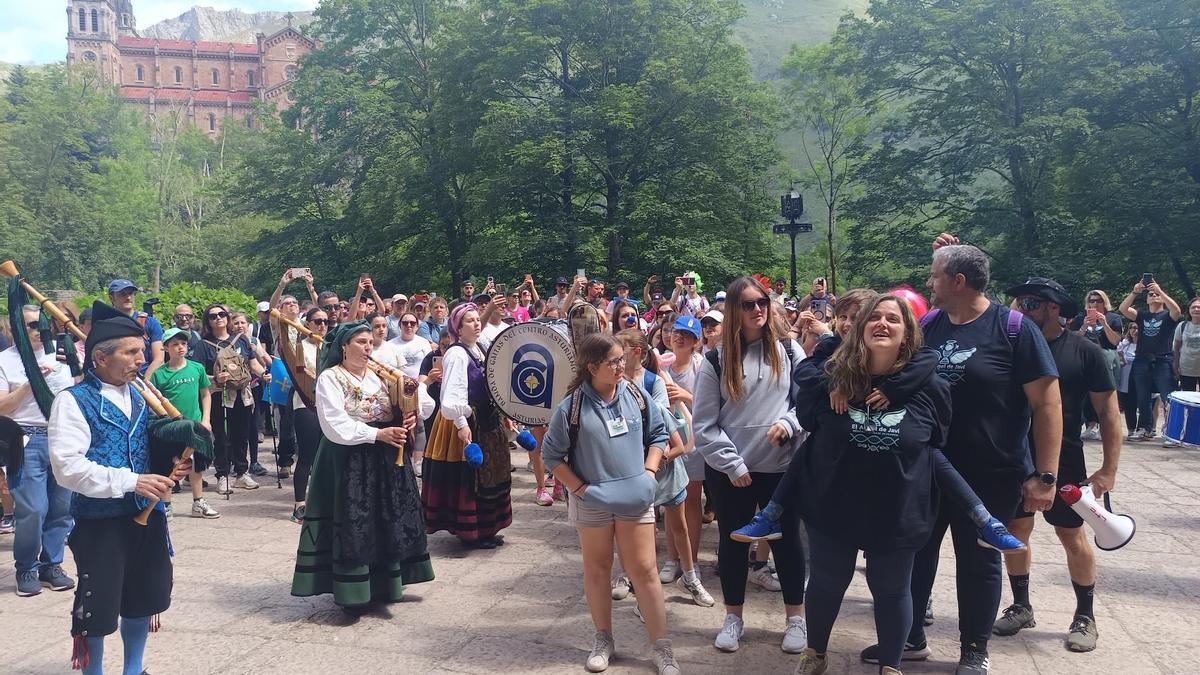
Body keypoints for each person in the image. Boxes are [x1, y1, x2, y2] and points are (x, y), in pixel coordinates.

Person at [859, 236, 1062, 675]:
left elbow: (1048, 405)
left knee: (979, 561)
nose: (929, 283)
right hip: (927, 468)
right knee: (915, 553)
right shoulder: (929, 325)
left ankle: (974, 648)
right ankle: (909, 636)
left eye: (935, 276)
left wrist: (1045, 475)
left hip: (991, 473)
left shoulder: (1014, 329)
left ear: (959, 281)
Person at [790, 294, 953, 675]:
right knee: (826, 582)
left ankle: (891, 667)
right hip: (834, 501)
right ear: (860, 329)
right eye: (874, 317)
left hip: (897, 507)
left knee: (893, 589)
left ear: (907, 333)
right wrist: (837, 382)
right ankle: (815, 655)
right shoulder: (832, 377)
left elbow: (938, 438)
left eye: (893, 319)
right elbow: (809, 420)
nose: (882, 324)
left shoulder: (930, 386)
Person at [48, 302, 201, 675]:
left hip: (148, 516)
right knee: (98, 606)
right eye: (130, 352)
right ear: (100, 358)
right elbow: (67, 468)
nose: (141, 359)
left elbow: (150, 444)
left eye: (141, 350)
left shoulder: (141, 394)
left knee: (142, 597)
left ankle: (134, 669)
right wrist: (132, 481)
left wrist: (173, 461)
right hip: (100, 521)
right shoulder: (73, 401)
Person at [994, 278, 1123, 653]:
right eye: (1018, 302)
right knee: (1016, 531)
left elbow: (1109, 413)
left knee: (1071, 534)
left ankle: (1085, 615)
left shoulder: (1085, 352)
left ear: (1053, 308)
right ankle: (1021, 606)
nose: (1020, 310)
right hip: (1015, 455)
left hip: (1065, 457)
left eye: (1029, 303)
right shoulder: (1011, 347)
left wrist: (1108, 470)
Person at [540, 333, 680, 675]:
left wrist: (649, 473)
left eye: (622, 359)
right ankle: (603, 639)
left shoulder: (636, 394)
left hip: (636, 497)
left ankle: (662, 647)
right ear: (592, 367)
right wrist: (582, 490)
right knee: (598, 569)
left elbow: (660, 434)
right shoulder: (571, 407)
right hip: (593, 501)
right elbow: (551, 455)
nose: (621, 366)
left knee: (644, 570)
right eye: (613, 361)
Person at [693, 276, 810, 655]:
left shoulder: (789, 350)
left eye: (762, 301)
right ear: (734, 310)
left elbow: (806, 403)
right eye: (748, 304)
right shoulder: (715, 360)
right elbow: (704, 424)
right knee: (732, 544)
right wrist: (732, 464)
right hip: (733, 473)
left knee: (787, 544)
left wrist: (789, 423)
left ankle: (795, 619)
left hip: (780, 469)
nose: (757, 309)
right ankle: (733, 617)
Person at [290, 321, 435, 614]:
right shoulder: (330, 378)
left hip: (385, 457)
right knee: (355, 521)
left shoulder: (383, 375)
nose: (368, 347)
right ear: (344, 346)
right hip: (348, 458)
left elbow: (419, 399)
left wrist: (409, 414)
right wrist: (377, 434)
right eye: (360, 342)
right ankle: (353, 591)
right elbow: (333, 423)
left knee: (385, 518)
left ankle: (386, 584)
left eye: (370, 342)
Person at [616, 328, 714, 608]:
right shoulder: (613, 382)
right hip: (631, 464)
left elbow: (661, 418)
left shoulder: (653, 381)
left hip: (665, 462)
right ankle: (629, 575)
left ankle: (690, 576)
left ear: (637, 352)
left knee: (678, 524)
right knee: (632, 525)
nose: (617, 356)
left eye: (621, 349)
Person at [0, 305, 78, 597]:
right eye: (31, 325)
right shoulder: (5, 360)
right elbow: (2, 408)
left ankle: (51, 565)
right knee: (33, 510)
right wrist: (31, 383)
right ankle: (26, 567)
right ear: (15, 328)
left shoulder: (62, 353)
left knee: (62, 508)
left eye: (42, 324)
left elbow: (79, 389)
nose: (39, 330)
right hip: (26, 440)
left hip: (62, 437)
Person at [421, 303, 513, 548]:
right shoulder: (456, 354)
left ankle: (487, 528)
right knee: (472, 476)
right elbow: (451, 394)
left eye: (477, 320)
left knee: (492, 473)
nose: (476, 324)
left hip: (487, 419)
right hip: (467, 420)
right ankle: (471, 532)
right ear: (458, 329)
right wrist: (461, 423)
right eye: (470, 321)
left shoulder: (480, 348)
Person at [197, 304, 268, 494]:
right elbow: (198, 373)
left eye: (222, 314)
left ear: (227, 317)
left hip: (242, 394)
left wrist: (263, 374)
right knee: (222, 437)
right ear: (208, 322)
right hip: (219, 395)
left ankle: (242, 473)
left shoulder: (241, 339)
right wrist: (215, 378)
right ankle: (222, 475)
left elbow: (252, 362)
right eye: (213, 316)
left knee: (242, 434)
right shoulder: (203, 345)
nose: (218, 318)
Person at [149, 329, 219, 520]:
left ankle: (198, 502)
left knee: (196, 465)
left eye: (183, 344)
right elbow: (154, 404)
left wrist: (206, 420)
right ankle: (166, 505)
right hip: (171, 428)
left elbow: (205, 394)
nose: (180, 347)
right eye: (175, 344)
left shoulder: (196, 368)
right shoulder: (159, 374)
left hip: (194, 426)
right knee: (169, 465)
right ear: (166, 348)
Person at [1118, 277, 1182, 442]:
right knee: (1143, 397)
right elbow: (1123, 309)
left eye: (1156, 294)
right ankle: (1144, 429)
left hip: (1162, 360)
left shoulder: (1167, 316)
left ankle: (1172, 432)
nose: (1154, 296)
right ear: (1146, 299)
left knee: (1167, 397)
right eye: (1151, 294)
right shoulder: (1142, 315)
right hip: (1142, 360)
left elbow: (1177, 311)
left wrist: (1161, 291)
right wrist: (1135, 292)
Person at [1068, 290, 1123, 440]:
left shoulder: (1113, 318)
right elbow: (1073, 341)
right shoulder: (1081, 318)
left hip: (1107, 357)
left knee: (1107, 392)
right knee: (1085, 393)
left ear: (1104, 302)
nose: (1095, 303)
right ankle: (1091, 425)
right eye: (1092, 301)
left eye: (1098, 300)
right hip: (1085, 358)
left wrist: (1104, 323)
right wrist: (1084, 326)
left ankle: (1105, 426)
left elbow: (1115, 341)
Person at [106, 279, 164, 379]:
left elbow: (159, 359)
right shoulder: (106, 325)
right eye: (122, 294)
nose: (128, 297)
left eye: (131, 293)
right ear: (112, 298)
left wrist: (145, 382)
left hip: (144, 378)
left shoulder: (150, 322)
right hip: (115, 379)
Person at [1116, 324, 1141, 436]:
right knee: (1129, 406)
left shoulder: (1144, 345)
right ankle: (1131, 429)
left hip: (1140, 379)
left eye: (1136, 328)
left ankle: (1142, 429)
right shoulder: (1125, 343)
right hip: (1125, 379)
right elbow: (1118, 353)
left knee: (1142, 405)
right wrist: (1121, 358)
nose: (1134, 330)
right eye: (1131, 328)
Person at [1173, 297, 1200, 395]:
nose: (1196, 309)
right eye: (1193, 307)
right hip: (1186, 370)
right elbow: (1176, 348)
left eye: (1199, 307)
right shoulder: (1182, 326)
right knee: (1188, 398)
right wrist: (1175, 366)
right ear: (1189, 310)